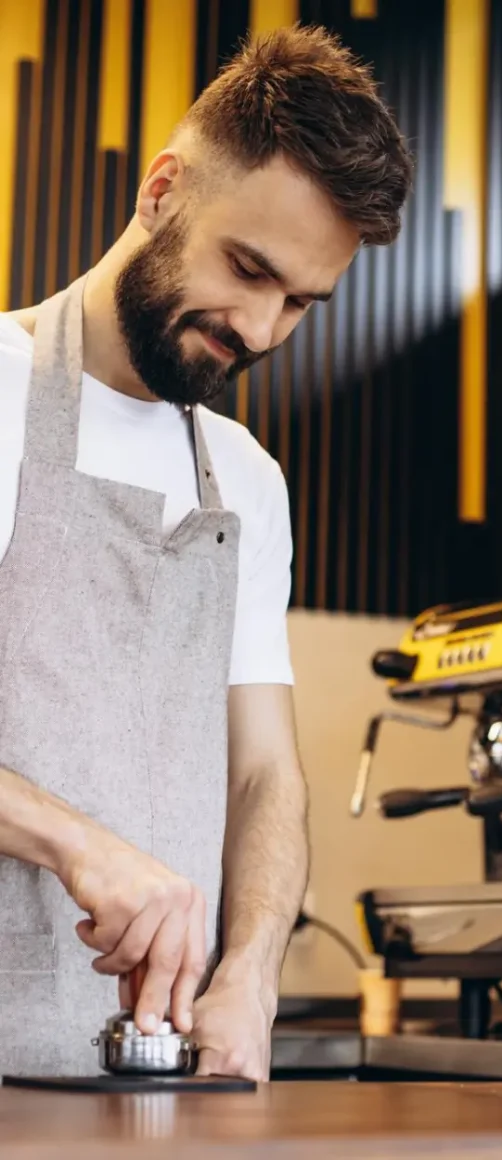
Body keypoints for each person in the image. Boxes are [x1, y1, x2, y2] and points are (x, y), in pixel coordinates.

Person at [0, 25, 413, 1079]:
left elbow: (264, 772)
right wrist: (77, 842)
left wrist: (254, 963)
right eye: (249, 268)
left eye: (302, 303)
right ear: (162, 191)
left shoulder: (249, 480)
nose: (264, 330)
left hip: (145, 1089)